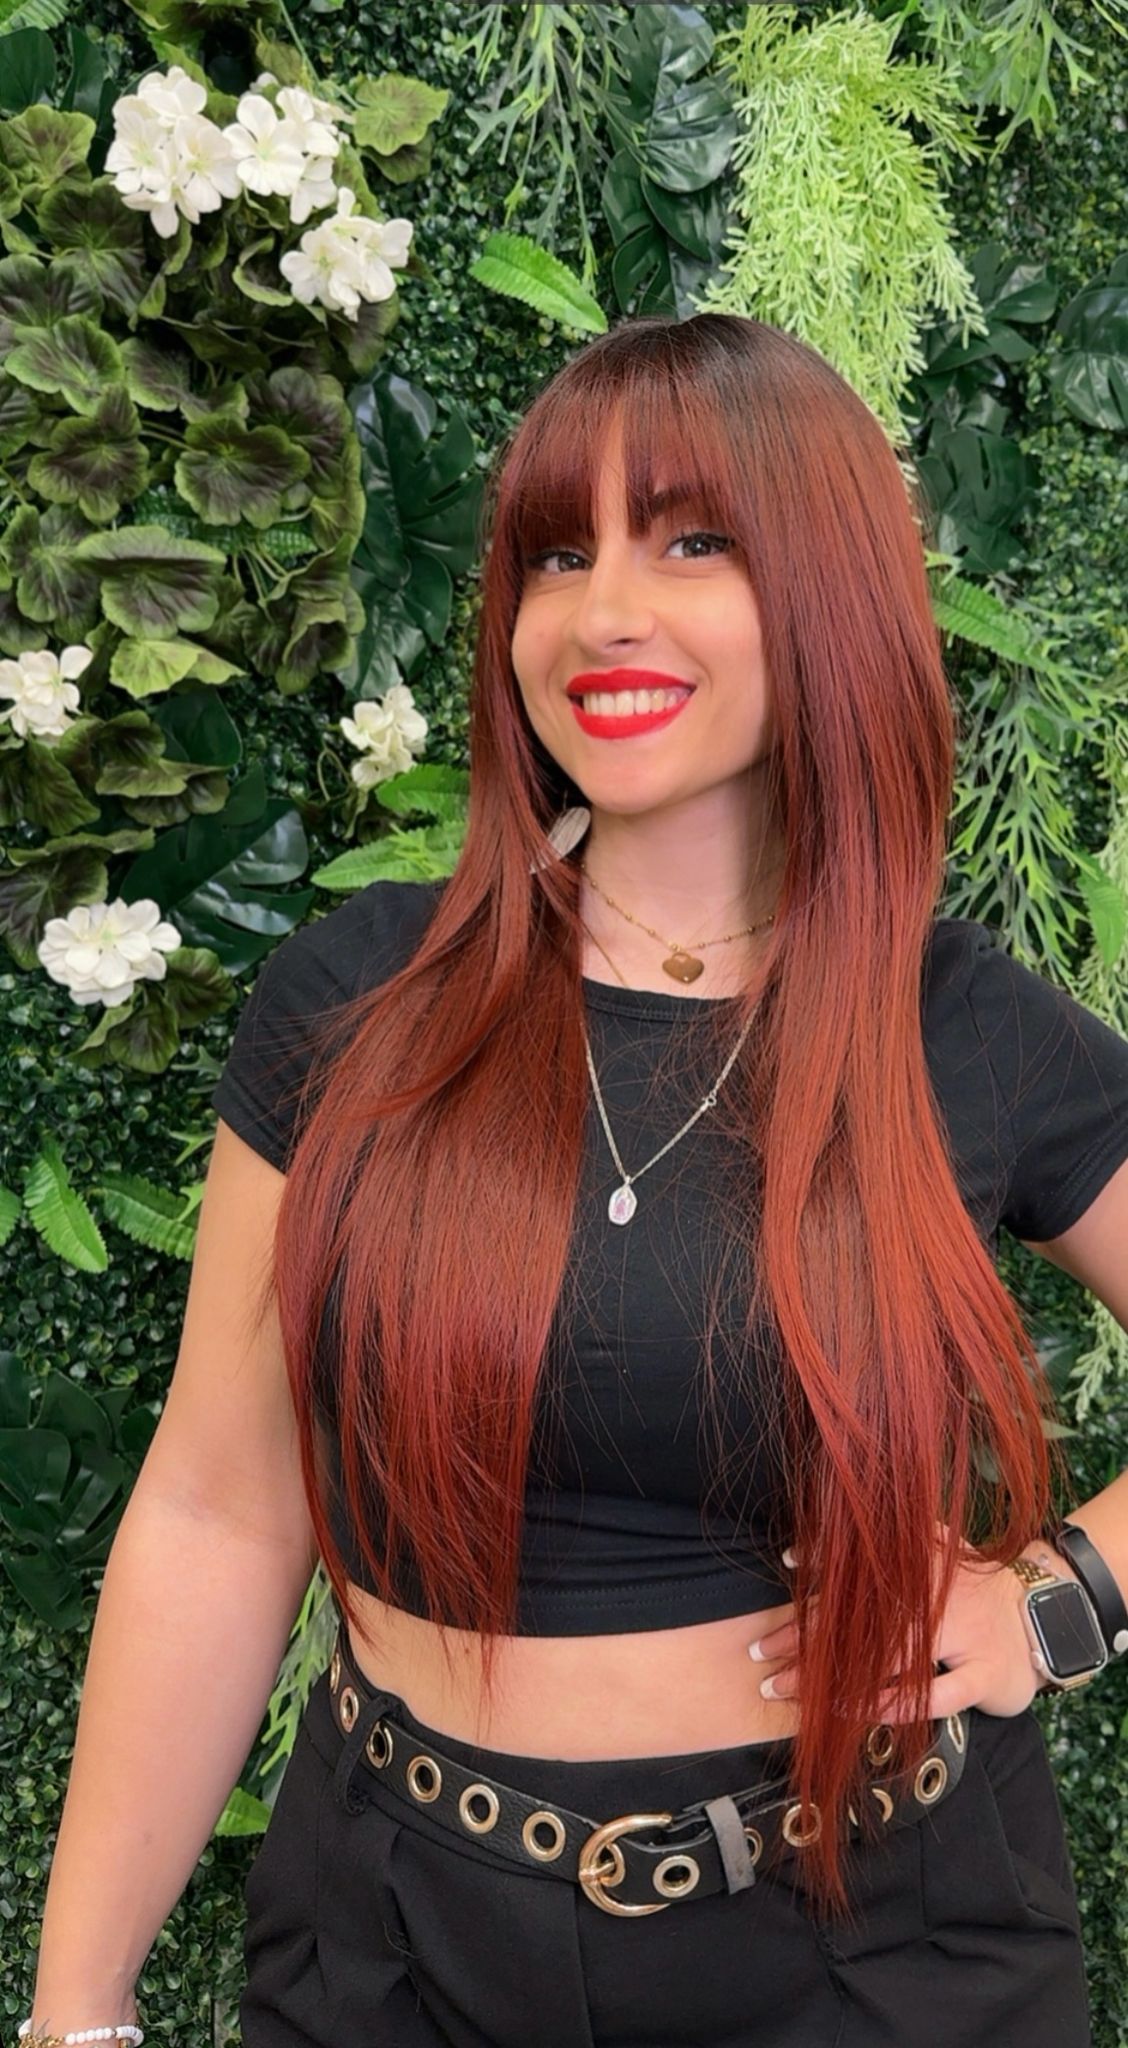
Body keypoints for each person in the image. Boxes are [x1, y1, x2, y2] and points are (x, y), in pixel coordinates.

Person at [23, 313, 1128, 2048]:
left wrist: (1061, 1599)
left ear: (827, 588)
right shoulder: (356, 998)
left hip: (874, 1960)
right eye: (557, 552)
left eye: (691, 543)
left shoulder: (959, 1027)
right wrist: (76, 2011)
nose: (603, 611)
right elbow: (220, 1514)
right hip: (394, 1947)